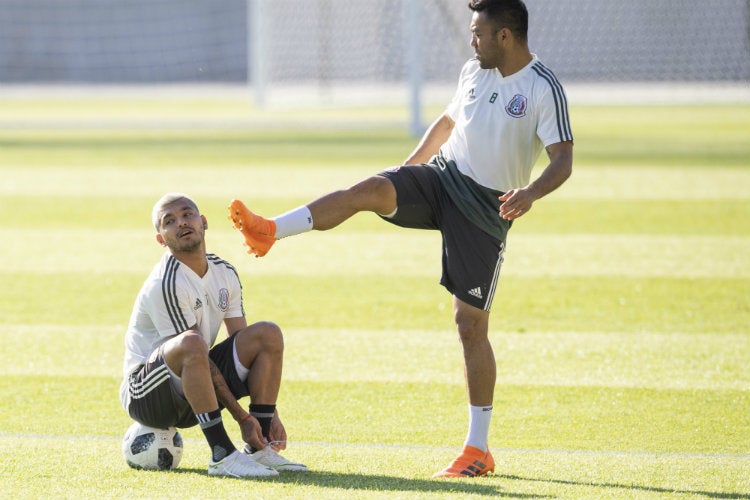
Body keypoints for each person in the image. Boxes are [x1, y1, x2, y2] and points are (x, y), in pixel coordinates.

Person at [229, 0, 573, 479]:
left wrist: (532, 192)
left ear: (506, 36)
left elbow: (562, 159)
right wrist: (409, 168)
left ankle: (478, 449)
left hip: (486, 209)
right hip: (441, 177)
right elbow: (449, 123)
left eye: (479, 32)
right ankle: (271, 231)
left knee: (469, 324)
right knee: (370, 188)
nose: (471, 40)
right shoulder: (474, 70)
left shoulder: (543, 87)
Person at [120, 192, 308, 478]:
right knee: (192, 342)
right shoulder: (167, 282)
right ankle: (222, 454)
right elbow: (193, 352)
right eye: (169, 221)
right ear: (161, 239)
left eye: (187, 215)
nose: (182, 223)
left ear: (203, 222)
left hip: (192, 384)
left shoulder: (224, 272)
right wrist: (242, 418)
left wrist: (268, 415)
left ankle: (260, 448)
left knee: (266, 334)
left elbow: (242, 343)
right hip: (146, 394)